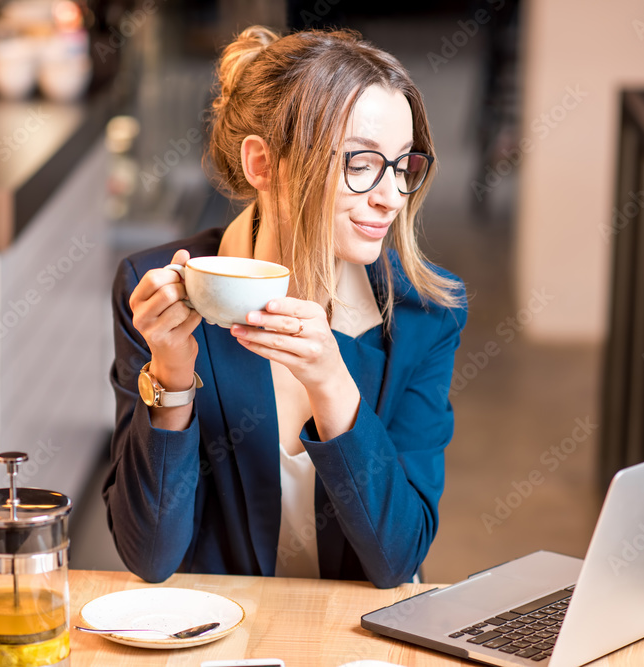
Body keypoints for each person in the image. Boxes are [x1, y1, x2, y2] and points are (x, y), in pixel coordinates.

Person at [103, 26, 467, 589]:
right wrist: (173, 372)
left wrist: (330, 381)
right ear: (263, 165)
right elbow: (151, 554)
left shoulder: (426, 314)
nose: (392, 196)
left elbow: (397, 559)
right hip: (225, 636)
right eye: (361, 163)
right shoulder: (160, 297)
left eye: (402, 165)